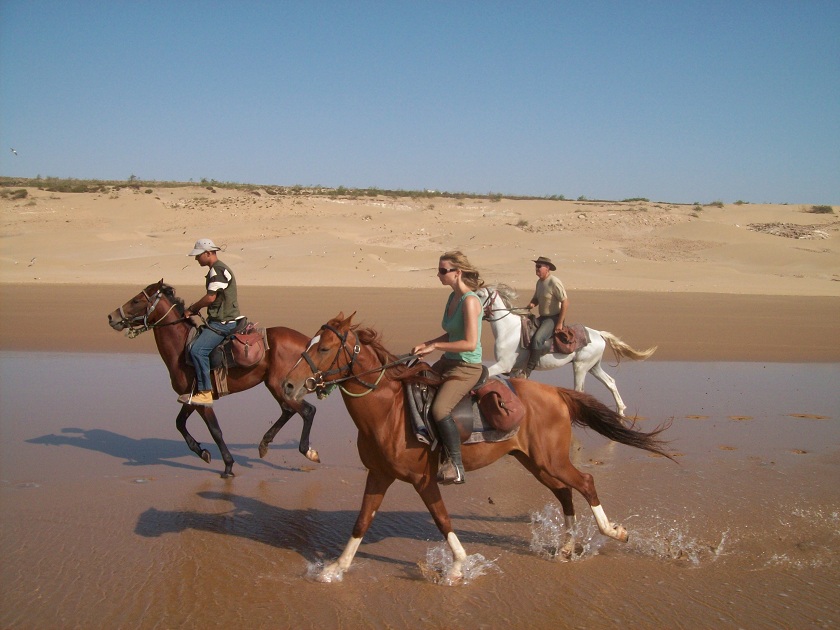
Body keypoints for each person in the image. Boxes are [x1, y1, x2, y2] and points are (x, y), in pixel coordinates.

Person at [412, 251, 485, 485]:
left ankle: (456, 465)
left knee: (440, 410)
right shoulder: (452, 297)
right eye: (439, 270)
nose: (439, 275)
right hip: (448, 360)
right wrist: (427, 343)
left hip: (466, 366)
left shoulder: (470, 301)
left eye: (443, 271)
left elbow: (469, 343)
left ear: (458, 272)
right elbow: (453, 333)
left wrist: (434, 345)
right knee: (415, 383)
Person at [177, 238, 241, 406]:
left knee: (197, 350)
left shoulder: (217, 271)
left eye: (198, 255)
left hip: (223, 322)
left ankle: (205, 392)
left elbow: (211, 297)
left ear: (208, 253)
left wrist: (192, 309)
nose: (196, 259)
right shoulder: (217, 269)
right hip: (221, 319)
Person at [522, 256, 568, 378]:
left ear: (547, 268)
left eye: (539, 266)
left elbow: (565, 302)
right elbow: (536, 298)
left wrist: (559, 323)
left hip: (553, 318)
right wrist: (532, 304)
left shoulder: (554, 282)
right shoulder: (539, 282)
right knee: (525, 329)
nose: (536, 269)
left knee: (537, 339)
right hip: (543, 317)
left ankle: (528, 370)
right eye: (535, 266)